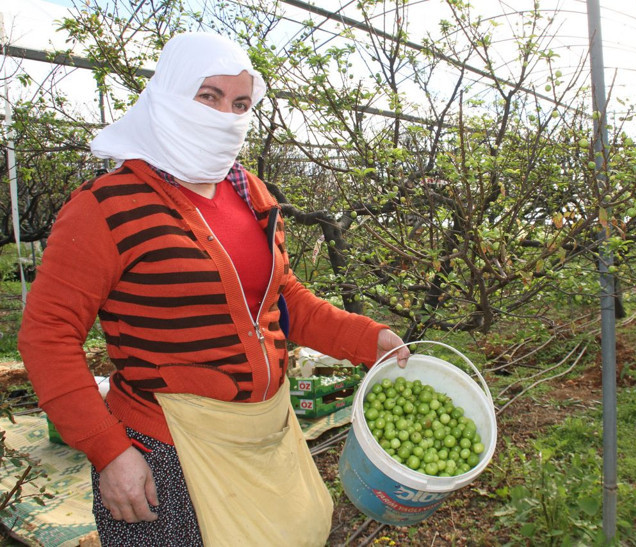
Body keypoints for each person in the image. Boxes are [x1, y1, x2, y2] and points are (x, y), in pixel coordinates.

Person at [17, 32, 410, 546]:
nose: (225, 115)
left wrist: (366, 339)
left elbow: (281, 298)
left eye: (240, 103)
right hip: (163, 453)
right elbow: (47, 335)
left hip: (262, 435)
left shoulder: (249, 192)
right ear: (171, 94)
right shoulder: (107, 206)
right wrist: (109, 450)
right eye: (209, 96)